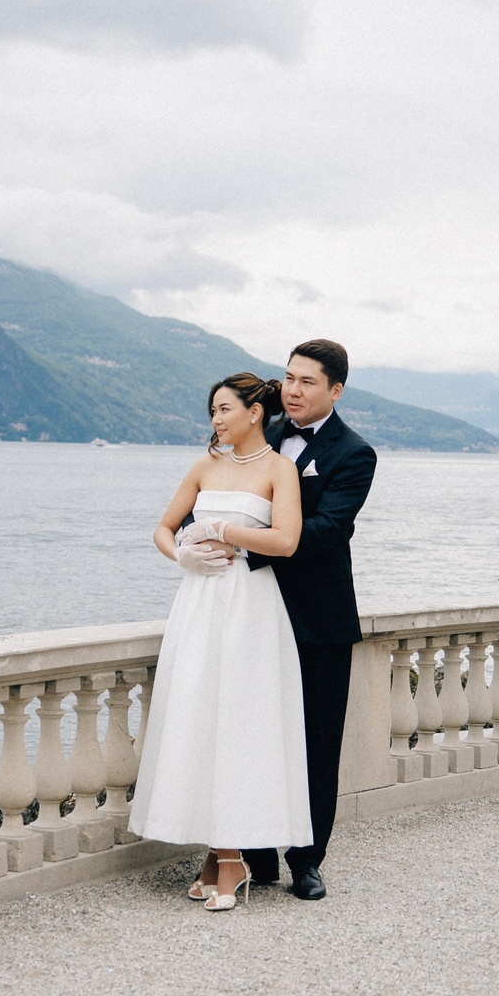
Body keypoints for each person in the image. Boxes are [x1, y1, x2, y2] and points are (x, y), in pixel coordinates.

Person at [189, 340, 375, 900]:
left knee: (316, 740)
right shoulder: (256, 436)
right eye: (288, 378)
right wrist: (191, 548)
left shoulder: (354, 453)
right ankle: (255, 853)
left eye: (307, 382)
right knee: (250, 732)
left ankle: (308, 860)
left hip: (317, 619)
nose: (292, 390)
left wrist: (245, 546)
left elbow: (323, 533)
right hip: (246, 614)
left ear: (334, 391)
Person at [128, 372, 312, 911]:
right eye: (212, 411)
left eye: (224, 409)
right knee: (198, 715)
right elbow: (164, 527)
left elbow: (286, 541)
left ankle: (228, 857)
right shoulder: (204, 465)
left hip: (250, 607)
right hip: (198, 605)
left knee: (238, 721)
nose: (215, 420)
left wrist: (222, 531)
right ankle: (218, 854)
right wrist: (180, 553)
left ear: (255, 412)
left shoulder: (281, 470)